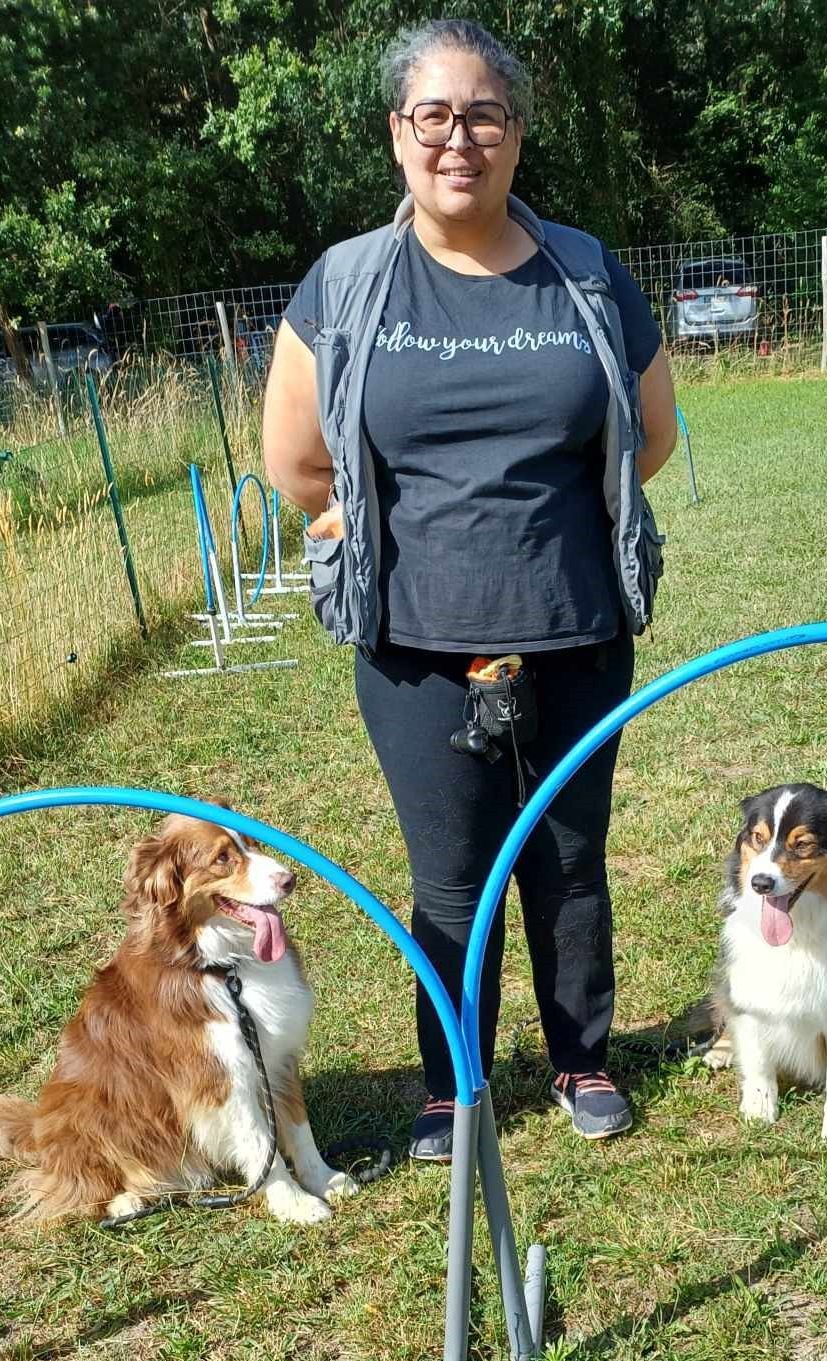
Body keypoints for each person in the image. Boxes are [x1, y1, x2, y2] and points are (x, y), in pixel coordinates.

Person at [262, 17, 677, 1162]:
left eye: (483, 114)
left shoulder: (585, 272)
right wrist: (388, 529)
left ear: (517, 132)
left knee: (568, 860)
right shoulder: (346, 284)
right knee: (449, 873)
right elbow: (294, 460)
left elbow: (649, 433)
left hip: (576, 625)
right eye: (433, 116)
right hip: (412, 642)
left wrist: (541, 522)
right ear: (398, 134)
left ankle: (581, 1056)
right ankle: (452, 1082)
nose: (460, 140)